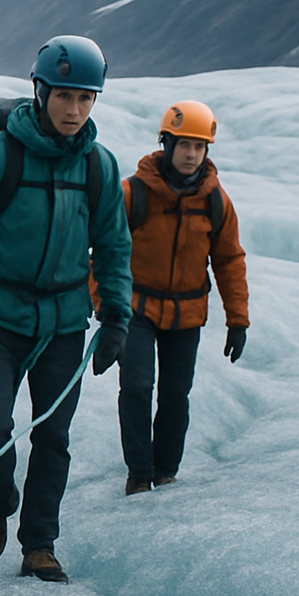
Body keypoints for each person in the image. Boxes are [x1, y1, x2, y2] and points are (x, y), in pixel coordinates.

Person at [0, 35, 133, 583]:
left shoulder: (97, 167)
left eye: (86, 98)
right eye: (65, 96)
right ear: (39, 90)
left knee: (54, 437)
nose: (75, 110)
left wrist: (116, 315)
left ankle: (39, 545)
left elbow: (114, 245)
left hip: (64, 325)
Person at [117, 101, 249, 495]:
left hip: (187, 313)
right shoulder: (133, 193)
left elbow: (228, 260)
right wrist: (104, 303)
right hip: (136, 309)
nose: (192, 154)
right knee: (138, 388)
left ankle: (166, 470)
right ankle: (140, 474)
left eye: (199, 146)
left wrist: (237, 320)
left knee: (176, 395)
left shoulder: (215, 201)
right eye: (184, 145)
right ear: (166, 143)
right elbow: (103, 251)